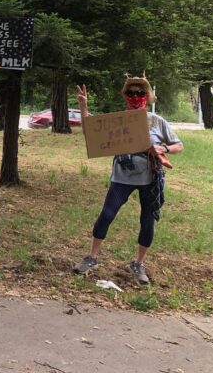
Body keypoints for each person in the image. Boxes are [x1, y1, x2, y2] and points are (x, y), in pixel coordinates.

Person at [72, 75, 183, 284]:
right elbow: (92, 134)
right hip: (122, 178)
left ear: (148, 96)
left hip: (150, 179)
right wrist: (83, 107)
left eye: (140, 93)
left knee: (148, 223)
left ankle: (138, 263)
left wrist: (164, 148)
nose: (136, 96)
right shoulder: (117, 120)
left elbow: (179, 145)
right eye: (131, 92)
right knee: (106, 214)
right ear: (125, 96)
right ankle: (91, 257)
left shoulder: (157, 121)